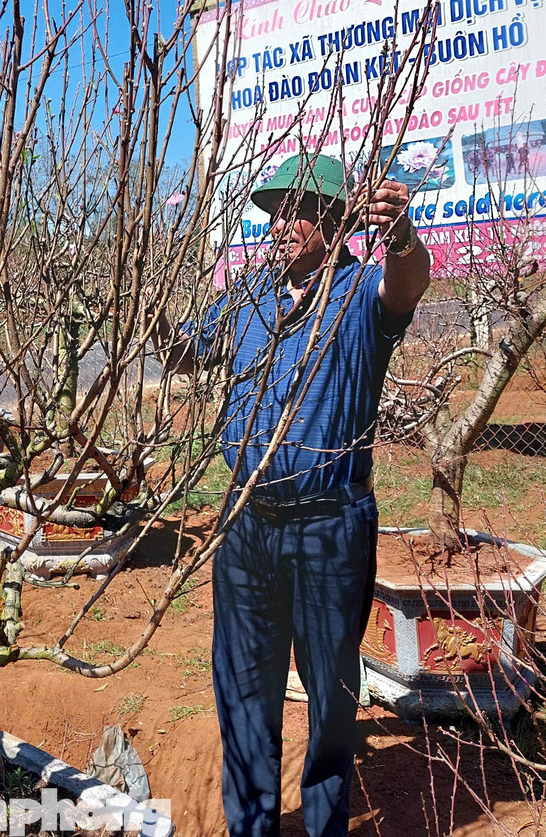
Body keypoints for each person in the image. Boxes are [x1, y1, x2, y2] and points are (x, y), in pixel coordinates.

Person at [163, 152, 430, 837]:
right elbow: (185, 352)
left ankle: (323, 824)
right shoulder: (248, 297)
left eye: (295, 212)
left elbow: (408, 287)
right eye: (274, 212)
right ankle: (252, 825)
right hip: (246, 522)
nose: (278, 225)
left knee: (330, 693)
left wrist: (401, 236)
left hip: (328, 527)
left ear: (335, 221)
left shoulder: (361, 293)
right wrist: (148, 301)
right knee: (243, 686)